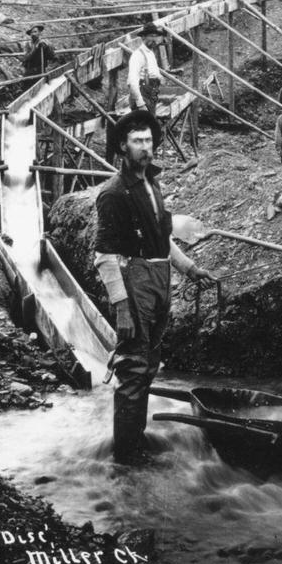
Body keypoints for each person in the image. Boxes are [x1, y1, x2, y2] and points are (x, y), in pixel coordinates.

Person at [94, 110, 215, 465]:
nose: (145, 148)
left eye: (148, 140)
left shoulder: (152, 183)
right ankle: (126, 457)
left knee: (149, 365)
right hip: (135, 280)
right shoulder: (114, 194)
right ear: (122, 146)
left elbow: (162, 239)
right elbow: (104, 255)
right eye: (137, 142)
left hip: (161, 279)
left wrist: (190, 268)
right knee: (133, 367)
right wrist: (121, 306)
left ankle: (136, 442)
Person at [127, 24, 167, 116]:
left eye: (156, 36)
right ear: (143, 37)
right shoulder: (137, 55)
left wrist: (160, 77)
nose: (154, 39)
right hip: (142, 98)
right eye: (151, 36)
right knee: (143, 128)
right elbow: (132, 82)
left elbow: (153, 71)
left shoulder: (150, 53)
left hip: (151, 97)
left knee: (150, 126)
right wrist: (140, 104)